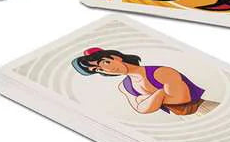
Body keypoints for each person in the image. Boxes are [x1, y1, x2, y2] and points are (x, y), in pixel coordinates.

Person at [71, 47, 216, 116]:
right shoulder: (124, 86)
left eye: (104, 63)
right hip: (184, 120)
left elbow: (182, 98)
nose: (105, 70)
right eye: (97, 69)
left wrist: (147, 98)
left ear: (116, 57)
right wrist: (160, 94)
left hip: (205, 109)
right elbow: (141, 110)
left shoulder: (160, 72)